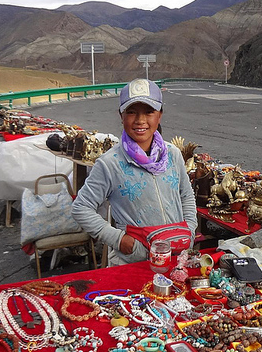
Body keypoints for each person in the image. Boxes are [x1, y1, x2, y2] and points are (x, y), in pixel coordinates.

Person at [71, 79, 197, 266]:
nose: (140, 121)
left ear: (159, 115)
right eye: (131, 112)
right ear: (121, 116)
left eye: (149, 112)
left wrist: (190, 229)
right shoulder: (109, 163)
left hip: (177, 259)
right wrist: (118, 239)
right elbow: (81, 208)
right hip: (133, 262)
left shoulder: (173, 154)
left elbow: (186, 195)